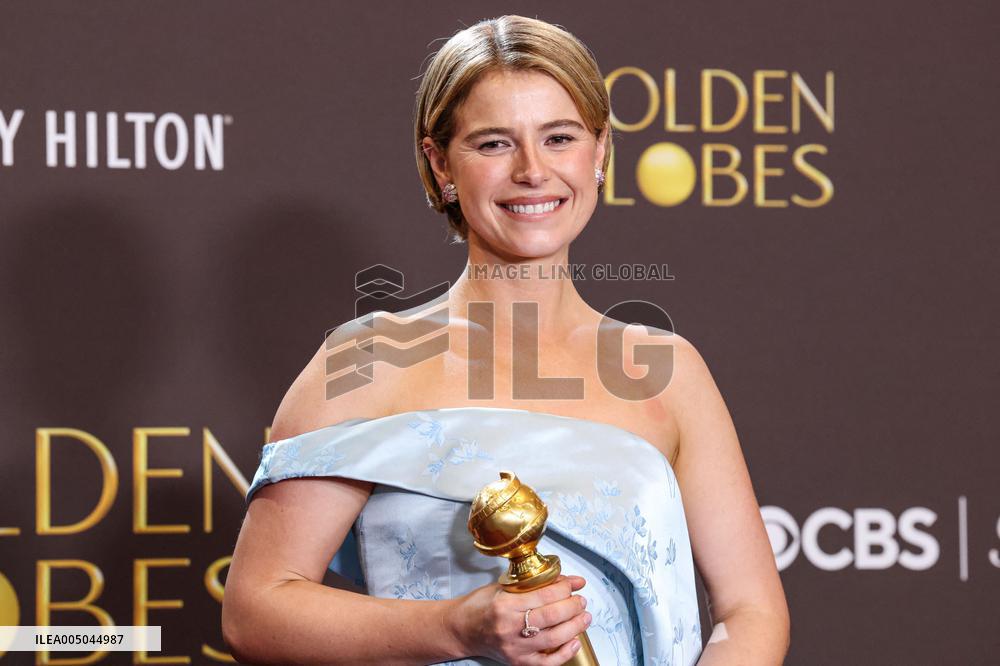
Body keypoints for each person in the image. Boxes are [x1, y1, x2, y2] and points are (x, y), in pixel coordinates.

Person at [222, 14, 789, 666]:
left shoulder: (666, 370)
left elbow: (752, 610)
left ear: (600, 152)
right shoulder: (366, 364)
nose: (532, 171)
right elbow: (256, 612)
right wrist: (457, 627)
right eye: (494, 144)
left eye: (559, 138)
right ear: (440, 164)